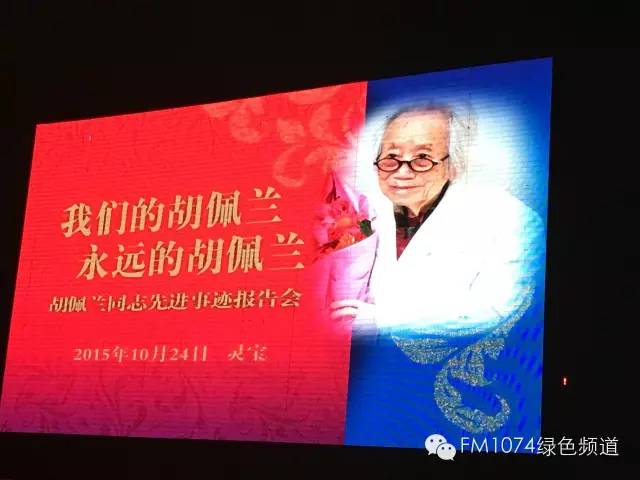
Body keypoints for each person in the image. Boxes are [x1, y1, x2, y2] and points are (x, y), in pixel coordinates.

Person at [331, 104, 544, 338]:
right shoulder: (362, 211)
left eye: (422, 158)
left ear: (454, 165)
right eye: (391, 157)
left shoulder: (510, 218)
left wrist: (383, 320)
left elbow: (500, 312)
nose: (402, 172)